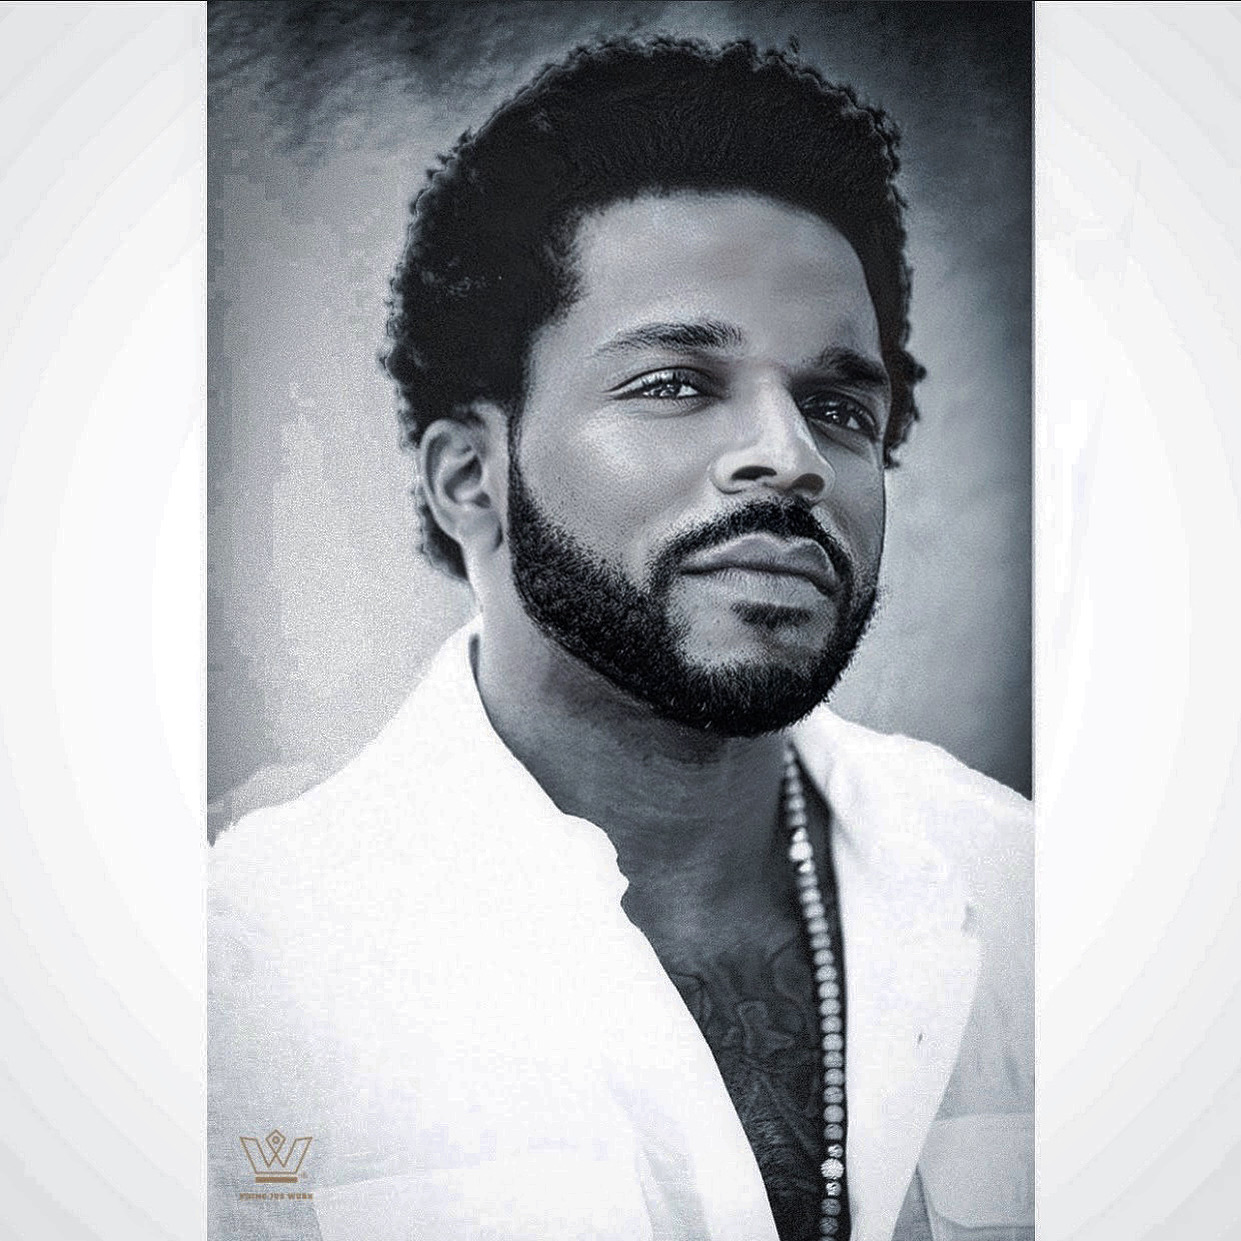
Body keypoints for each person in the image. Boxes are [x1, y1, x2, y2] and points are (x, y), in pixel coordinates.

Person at [208, 37, 1033, 1241]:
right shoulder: (238, 983)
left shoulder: (1033, 899)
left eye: (835, 405)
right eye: (675, 383)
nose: (791, 457)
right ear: (470, 478)